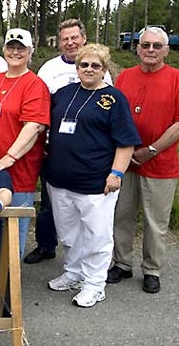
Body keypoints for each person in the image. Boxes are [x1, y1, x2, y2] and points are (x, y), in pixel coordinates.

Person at [43, 44, 140, 308]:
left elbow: (125, 143)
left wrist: (117, 172)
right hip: (60, 180)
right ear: (77, 68)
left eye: (95, 66)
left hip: (96, 182)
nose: (88, 69)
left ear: (104, 70)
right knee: (69, 233)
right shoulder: (63, 94)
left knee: (96, 235)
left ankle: (95, 284)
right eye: (84, 64)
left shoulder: (113, 99)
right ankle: (74, 273)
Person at [108, 26, 179, 294]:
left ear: (166, 50)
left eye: (156, 46)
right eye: (145, 45)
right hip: (125, 161)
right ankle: (122, 263)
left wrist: (150, 150)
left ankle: (151, 269)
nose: (150, 50)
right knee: (120, 216)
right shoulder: (124, 77)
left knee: (155, 222)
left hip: (159, 164)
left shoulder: (177, 79)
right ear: (137, 48)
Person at [26, 18, 113, 265]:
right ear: (59, 42)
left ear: (83, 38)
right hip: (54, 146)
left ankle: (89, 260)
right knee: (51, 201)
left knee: (87, 208)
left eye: (74, 37)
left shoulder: (98, 67)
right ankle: (46, 245)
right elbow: (40, 106)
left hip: (89, 151)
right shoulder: (48, 70)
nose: (70, 42)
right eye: (65, 38)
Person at [0, 28, 50, 258]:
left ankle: (8, 287)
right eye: (11, 47)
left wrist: (10, 157)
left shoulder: (34, 84)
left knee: (11, 233)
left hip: (16, 171)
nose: (15, 52)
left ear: (30, 52)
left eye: (21, 48)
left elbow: (34, 126)